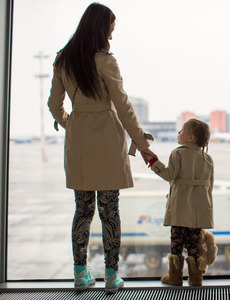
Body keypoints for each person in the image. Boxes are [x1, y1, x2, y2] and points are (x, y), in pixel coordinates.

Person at [47, 3, 155, 294]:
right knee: (110, 211)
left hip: (79, 140)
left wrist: (71, 123)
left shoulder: (62, 59)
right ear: (100, 27)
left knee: (82, 211)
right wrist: (143, 144)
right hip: (107, 139)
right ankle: (111, 277)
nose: (112, 33)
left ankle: (80, 275)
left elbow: (54, 105)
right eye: (111, 27)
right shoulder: (106, 61)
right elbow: (124, 106)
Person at [143, 118, 214, 286]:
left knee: (176, 244)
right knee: (194, 245)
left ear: (191, 137)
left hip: (180, 210)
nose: (178, 133)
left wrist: (153, 162)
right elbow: (209, 188)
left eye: (182, 130)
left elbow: (169, 175)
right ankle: (196, 278)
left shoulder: (178, 153)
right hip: (197, 213)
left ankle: (175, 276)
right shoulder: (208, 159)